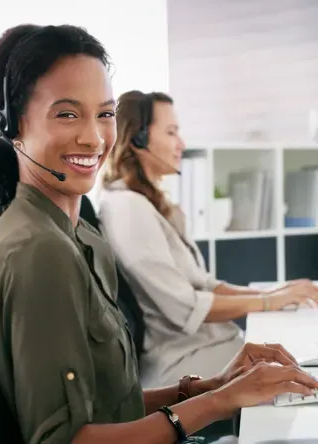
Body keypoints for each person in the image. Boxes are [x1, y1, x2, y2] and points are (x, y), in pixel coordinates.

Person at [0, 25, 318, 444]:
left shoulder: (76, 236)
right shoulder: (38, 250)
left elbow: (107, 406)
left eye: (105, 114)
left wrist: (213, 385)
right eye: (67, 113)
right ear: (10, 124)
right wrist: (217, 403)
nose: (93, 138)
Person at [99, 90, 318, 387]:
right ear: (137, 138)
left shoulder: (148, 204)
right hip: (184, 360)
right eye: (172, 132)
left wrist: (277, 293)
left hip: (210, 345)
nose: (182, 144)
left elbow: (204, 283)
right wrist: (269, 301)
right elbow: (186, 307)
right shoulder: (127, 208)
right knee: (300, 362)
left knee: (300, 351)